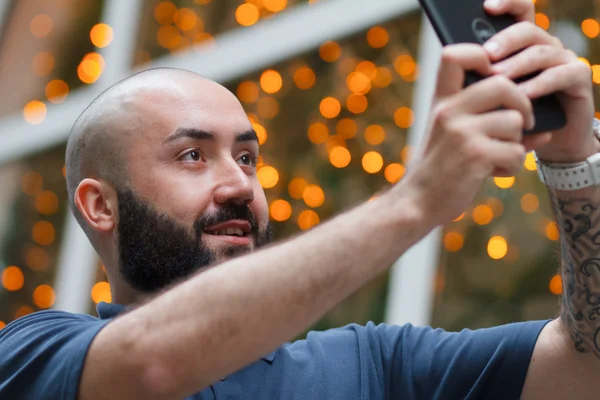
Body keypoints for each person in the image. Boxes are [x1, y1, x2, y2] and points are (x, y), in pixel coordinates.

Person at [1, 0, 598, 398]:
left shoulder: (374, 367)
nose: (239, 184)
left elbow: (585, 362)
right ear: (99, 206)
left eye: (246, 157)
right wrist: (417, 200)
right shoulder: (33, 353)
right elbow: (152, 365)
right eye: (191, 156)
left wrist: (575, 163)